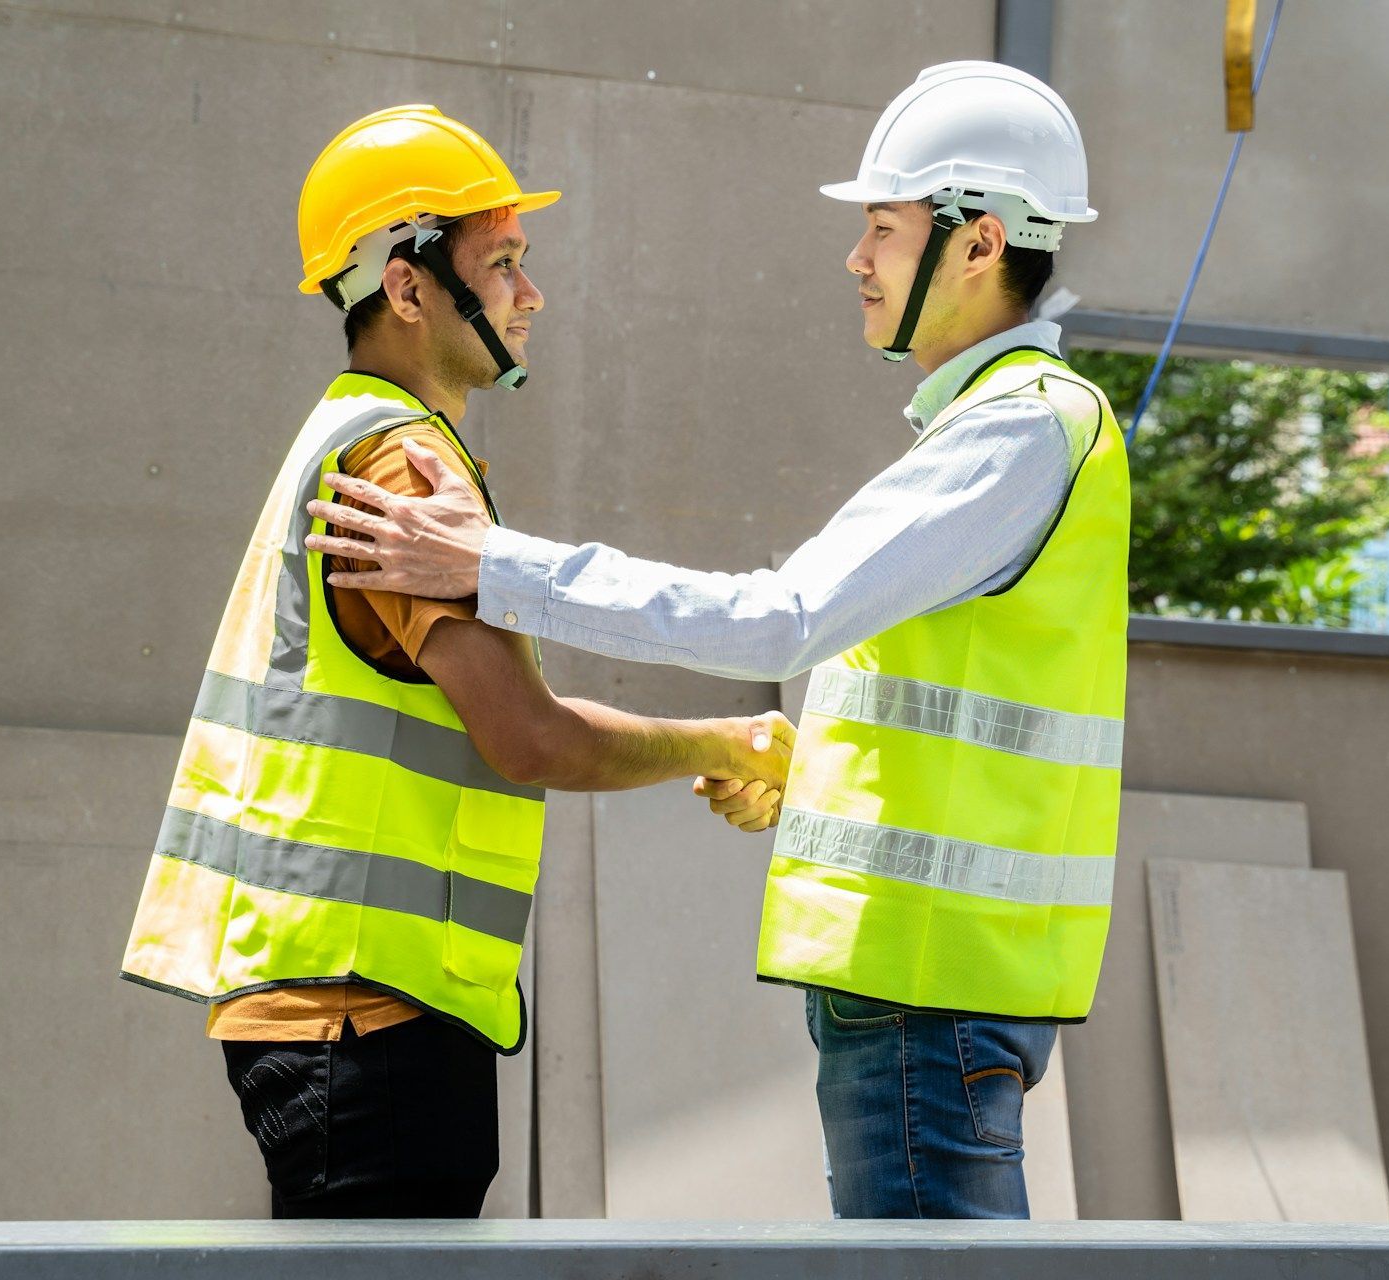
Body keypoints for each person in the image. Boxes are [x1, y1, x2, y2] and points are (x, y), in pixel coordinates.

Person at [294, 64, 1128, 1220]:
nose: (857, 258)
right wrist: (779, 764)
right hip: (924, 981)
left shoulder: (1020, 431)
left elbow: (783, 615)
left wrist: (493, 566)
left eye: (881, 229)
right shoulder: (1011, 429)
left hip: (929, 989)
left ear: (979, 243)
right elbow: (939, 702)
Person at [119, 104, 791, 1220]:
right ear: (408, 284)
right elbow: (527, 735)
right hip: (366, 1024)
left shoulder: (351, 435)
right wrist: (730, 741)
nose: (534, 295)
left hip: (339, 1010)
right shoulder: (400, 463)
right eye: (506, 262)